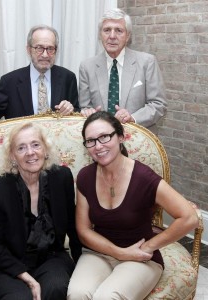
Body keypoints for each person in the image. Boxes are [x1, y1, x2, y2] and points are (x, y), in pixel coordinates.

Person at [67, 111, 198, 300]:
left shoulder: (144, 177)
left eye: (105, 137)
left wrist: (147, 248)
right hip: (99, 253)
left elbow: (189, 217)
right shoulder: (86, 176)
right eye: (91, 141)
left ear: (121, 137)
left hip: (141, 258)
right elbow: (84, 231)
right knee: (77, 294)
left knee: (107, 298)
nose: (98, 146)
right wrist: (120, 253)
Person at [0, 122, 81, 300]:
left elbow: (72, 224)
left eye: (35, 144)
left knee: (56, 289)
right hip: (3, 265)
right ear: (13, 156)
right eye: (21, 148)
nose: (30, 152)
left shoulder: (61, 177)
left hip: (49, 257)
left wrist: (82, 263)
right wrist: (28, 279)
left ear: (45, 149)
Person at [0, 24, 80, 147]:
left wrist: (70, 110)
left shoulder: (68, 77)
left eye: (50, 49)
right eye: (39, 48)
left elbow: (76, 111)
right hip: (23, 153)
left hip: (57, 148)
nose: (45, 55)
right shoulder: (10, 81)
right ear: (29, 49)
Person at [79, 8, 167, 134]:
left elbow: (159, 105)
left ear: (127, 36)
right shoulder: (86, 67)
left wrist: (133, 118)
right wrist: (87, 111)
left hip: (138, 138)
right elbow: (85, 106)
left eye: (119, 30)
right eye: (107, 30)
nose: (112, 36)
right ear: (100, 34)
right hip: (101, 140)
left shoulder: (147, 62)